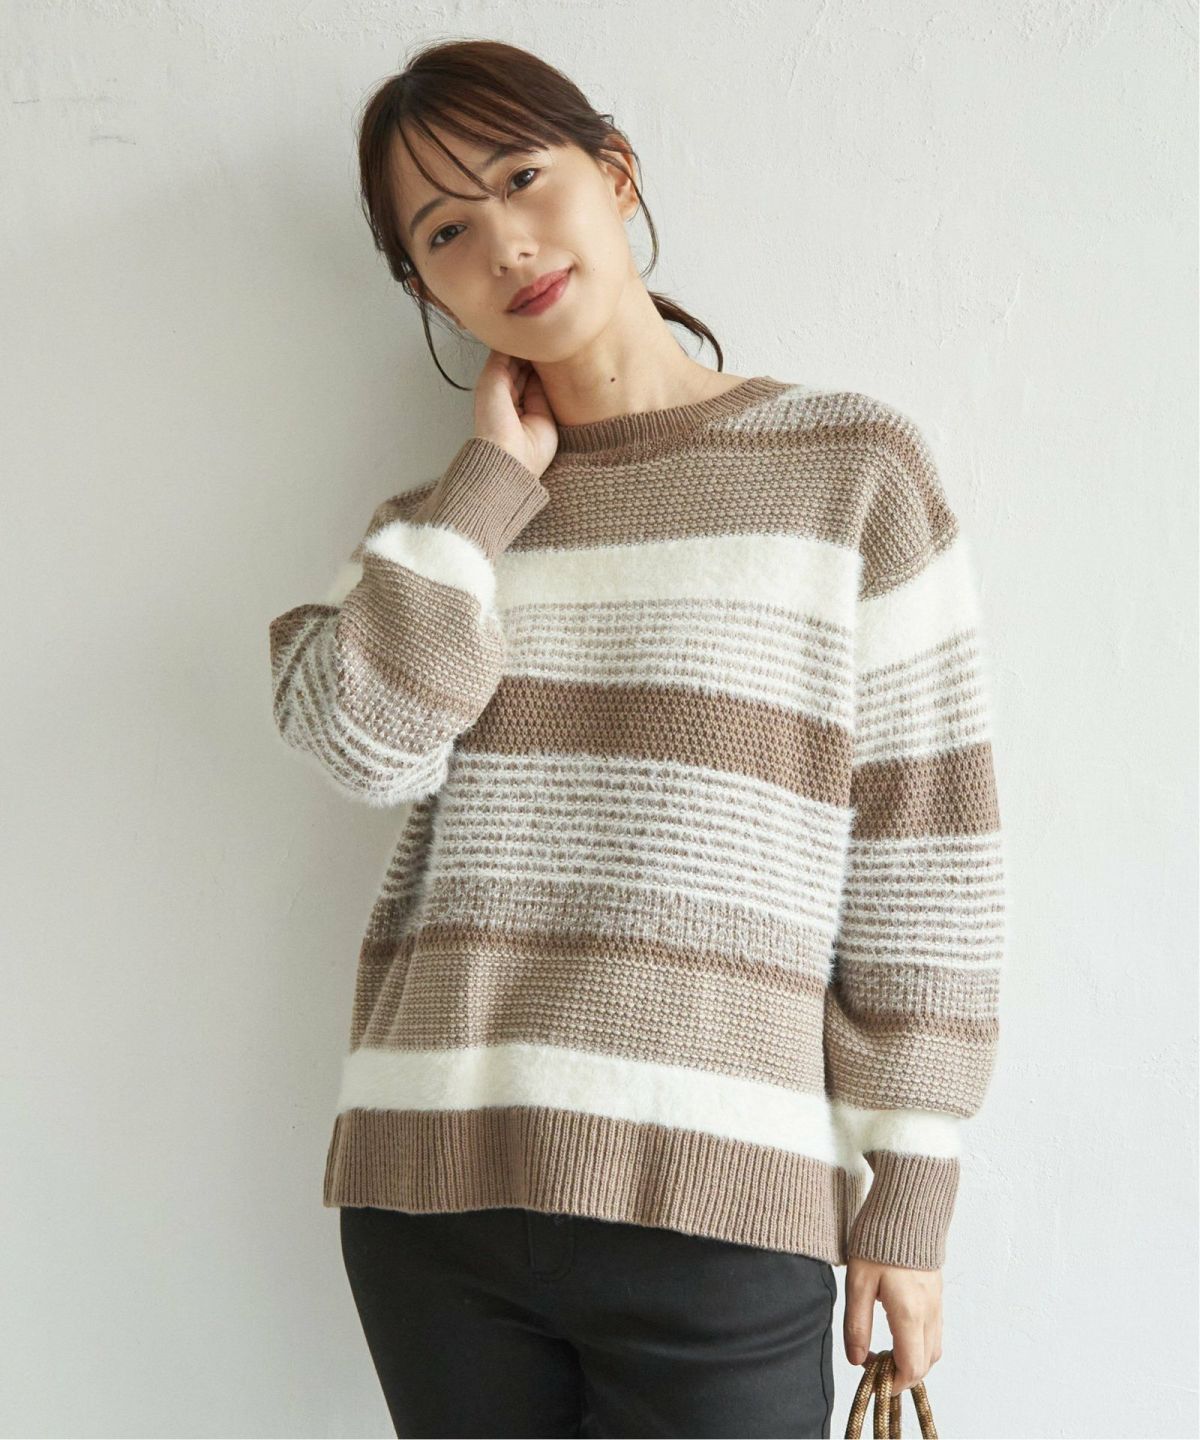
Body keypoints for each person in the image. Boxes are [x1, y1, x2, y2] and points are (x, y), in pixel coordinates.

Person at [266, 37, 1006, 1440]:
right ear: (421, 286)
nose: (504, 243)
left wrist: (909, 1192)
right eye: (444, 231)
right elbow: (363, 744)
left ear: (616, 172)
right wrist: (488, 488)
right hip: (436, 1204)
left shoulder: (848, 470)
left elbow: (926, 851)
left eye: (522, 179)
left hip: (717, 1203)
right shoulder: (437, 532)